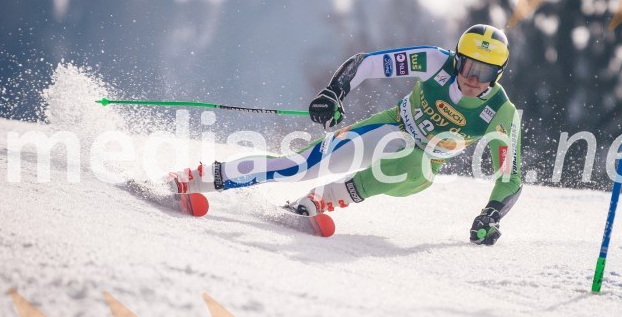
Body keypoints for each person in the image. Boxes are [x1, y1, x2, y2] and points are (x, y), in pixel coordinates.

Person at [168, 24, 522, 245]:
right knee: (299, 166)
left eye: (486, 71)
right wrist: (334, 92)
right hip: (390, 127)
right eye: (468, 65)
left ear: (499, 74)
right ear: (458, 58)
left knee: (416, 163)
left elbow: (511, 177)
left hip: (420, 167)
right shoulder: (434, 60)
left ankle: (327, 197)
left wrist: (490, 215)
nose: (473, 77)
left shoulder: (501, 113)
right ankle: (201, 178)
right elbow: (366, 62)